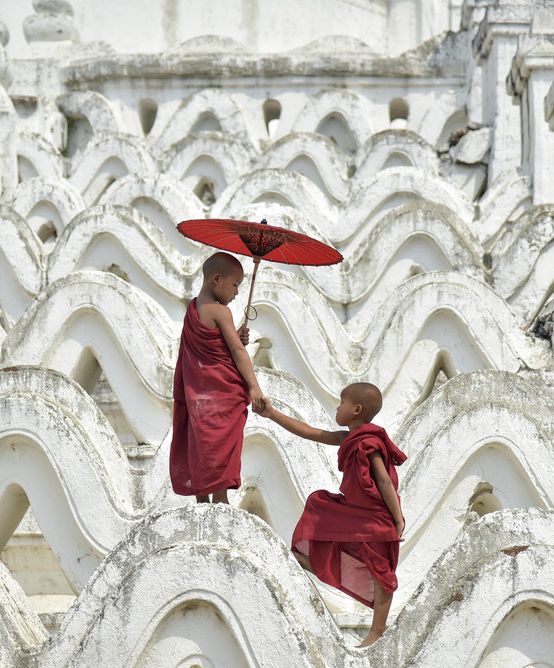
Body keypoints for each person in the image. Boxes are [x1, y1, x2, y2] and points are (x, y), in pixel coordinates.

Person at [257, 382, 406, 647]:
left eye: (342, 401)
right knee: (319, 502)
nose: (337, 406)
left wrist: (397, 519)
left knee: (380, 572)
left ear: (356, 410)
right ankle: (312, 561)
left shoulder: (368, 443)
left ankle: (378, 629)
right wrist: (272, 414)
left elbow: (383, 482)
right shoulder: (348, 438)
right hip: (355, 511)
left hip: (377, 516)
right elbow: (310, 432)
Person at [170, 251, 266, 504]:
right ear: (216, 279)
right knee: (221, 445)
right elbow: (235, 351)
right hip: (222, 395)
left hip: (199, 396)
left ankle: (202, 500)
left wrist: (234, 335)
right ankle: (220, 500)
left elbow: (215, 345)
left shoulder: (194, 308)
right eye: (235, 285)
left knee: (201, 444)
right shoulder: (221, 312)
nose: (236, 293)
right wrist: (254, 387)